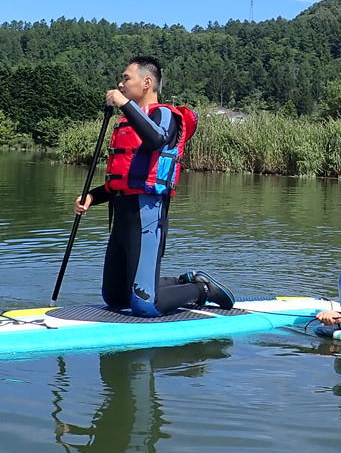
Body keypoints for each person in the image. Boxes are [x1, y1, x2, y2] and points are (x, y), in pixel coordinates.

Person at [73, 55, 234, 316]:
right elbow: (123, 181)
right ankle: (182, 281)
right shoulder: (128, 121)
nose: (121, 84)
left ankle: (202, 289)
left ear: (147, 82)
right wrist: (91, 196)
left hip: (147, 213)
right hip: (122, 212)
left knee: (145, 305)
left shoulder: (165, 115)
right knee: (114, 298)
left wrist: (124, 104)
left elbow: (156, 139)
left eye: (126, 78)